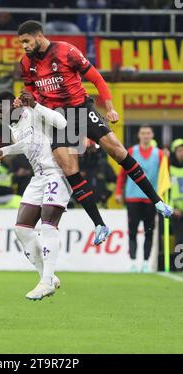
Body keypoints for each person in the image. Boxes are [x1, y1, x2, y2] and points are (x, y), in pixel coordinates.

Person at [16, 20, 172, 240]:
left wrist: (110, 108)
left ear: (38, 36)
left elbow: (97, 78)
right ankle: (99, 224)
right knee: (70, 169)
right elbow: (30, 91)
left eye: (26, 41)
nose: (23, 46)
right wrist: (23, 101)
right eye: (21, 42)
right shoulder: (26, 63)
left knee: (117, 151)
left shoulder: (66, 51)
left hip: (81, 108)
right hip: (57, 118)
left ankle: (156, 200)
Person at [0, 90, 73, 300]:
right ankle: (48, 277)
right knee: (22, 230)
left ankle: (45, 282)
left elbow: (62, 123)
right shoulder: (14, 127)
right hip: (39, 177)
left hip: (57, 172)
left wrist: (36, 105)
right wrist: (5, 150)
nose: (1, 115)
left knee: (47, 226)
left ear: (15, 104)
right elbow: (27, 145)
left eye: (3, 109)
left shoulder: (32, 111)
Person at [115, 126, 164, 272]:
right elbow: (122, 174)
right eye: (143, 133)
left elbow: (164, 176)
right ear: (139, 135)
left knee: (149, 231)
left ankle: (146, 262)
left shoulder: (159, 154)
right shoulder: (131, 151)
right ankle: (133, 261)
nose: (146, 136)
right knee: (133, 230)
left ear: (152, 135)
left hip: (150, 199)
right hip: (132, 198)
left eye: (148, 133)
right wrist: (118, 192)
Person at [170, 139, 183, 249]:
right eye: (179, 150)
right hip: (176, 211)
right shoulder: (169, 169)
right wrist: (172, 208)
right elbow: (167, 192)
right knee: (179, 240)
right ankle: (179, 265)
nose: (182, 153)